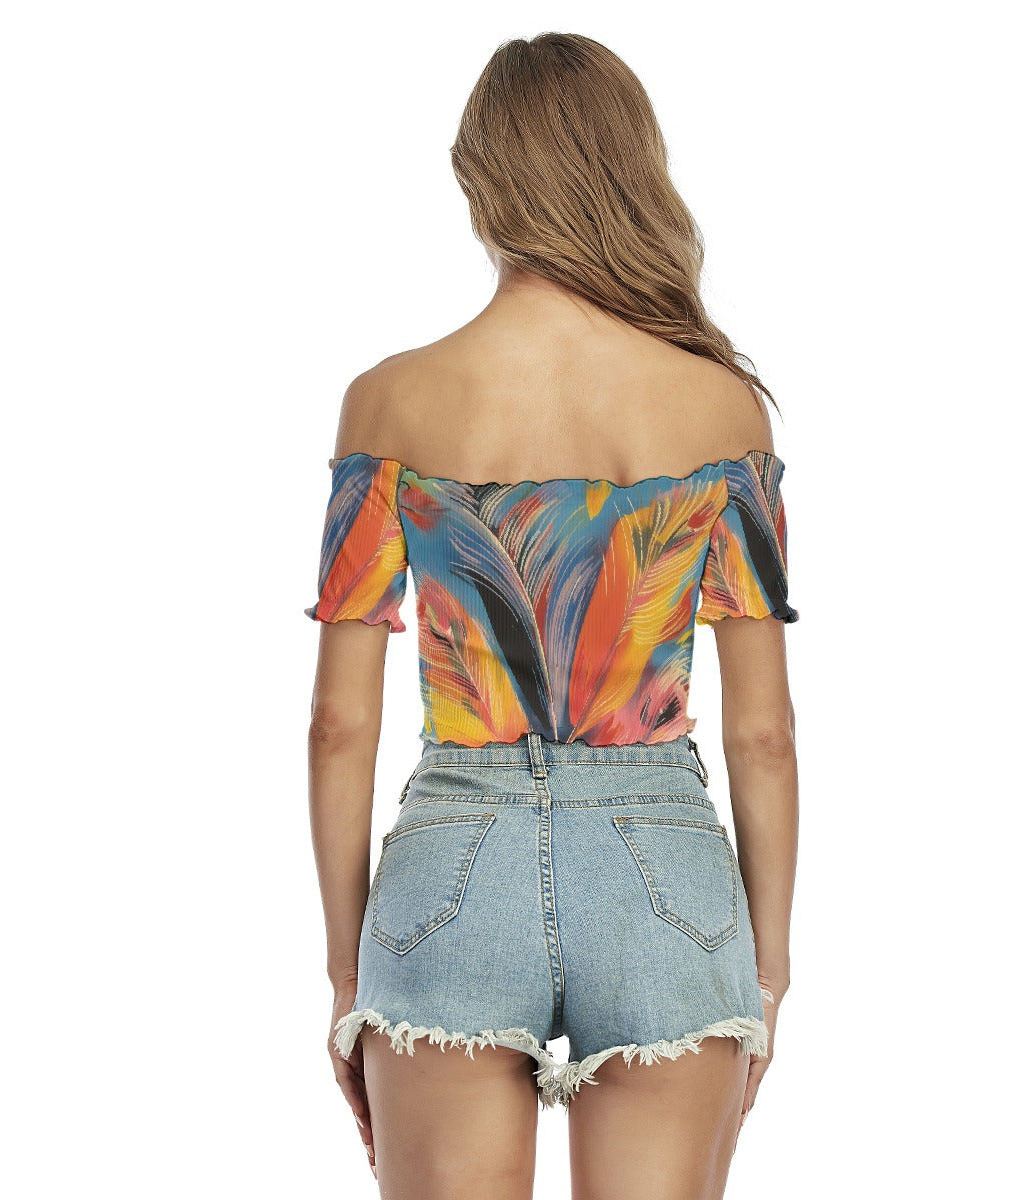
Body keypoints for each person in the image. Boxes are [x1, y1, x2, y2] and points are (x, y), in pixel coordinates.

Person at [304, 32, 800, 1200]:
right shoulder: (721, 407)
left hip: (451, 867)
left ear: (482, 181)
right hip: (664, 872)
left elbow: (338, 724)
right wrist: (767, 970)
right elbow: (764, 733)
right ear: (632, 171)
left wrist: (347, 973)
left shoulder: (390, 400)